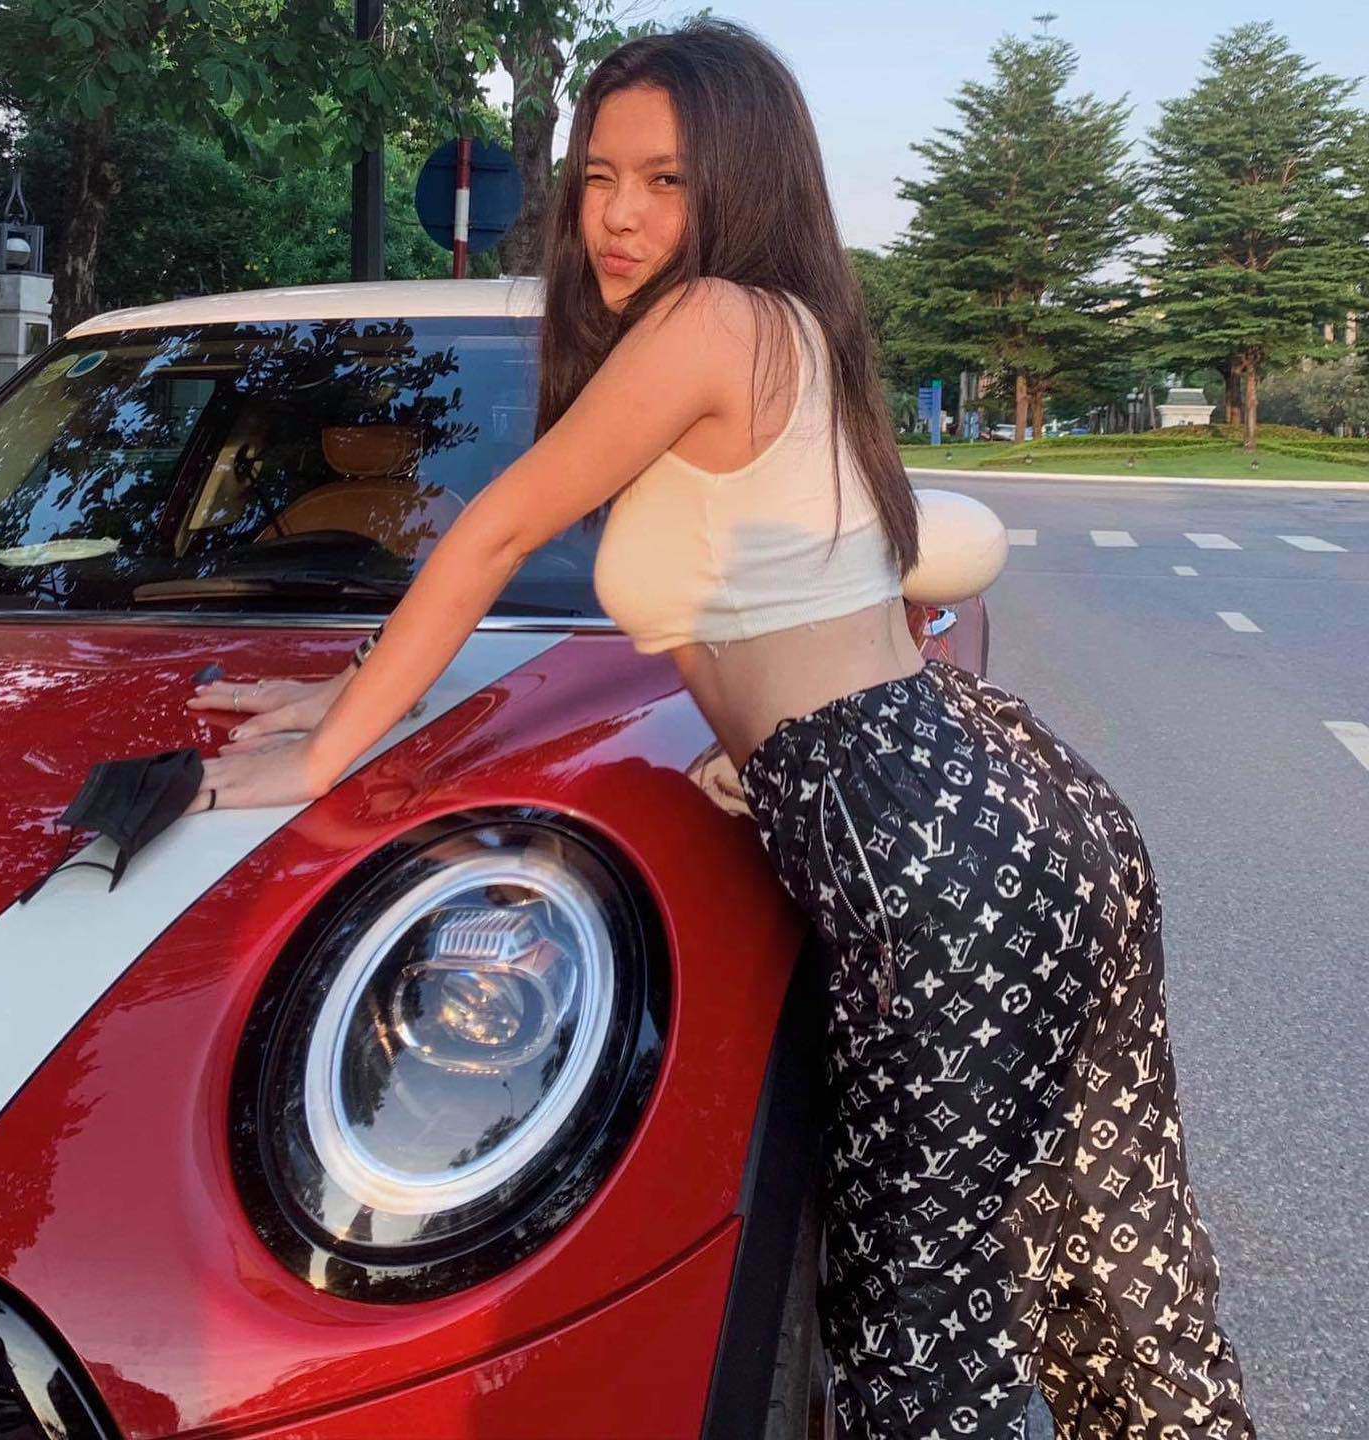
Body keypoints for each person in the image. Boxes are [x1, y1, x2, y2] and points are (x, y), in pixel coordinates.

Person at [183, 18, 1259, 1439]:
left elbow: (495, 529)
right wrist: (337, 695)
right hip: (993, 799)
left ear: (740, 184)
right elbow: (824, 598)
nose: (618, 215)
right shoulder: (792, 327)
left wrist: (324, 758)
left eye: (666, 181)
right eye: (597, 177)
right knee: (1106, 1264)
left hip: (921, 840)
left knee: (915, 1332)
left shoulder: (710, 322)